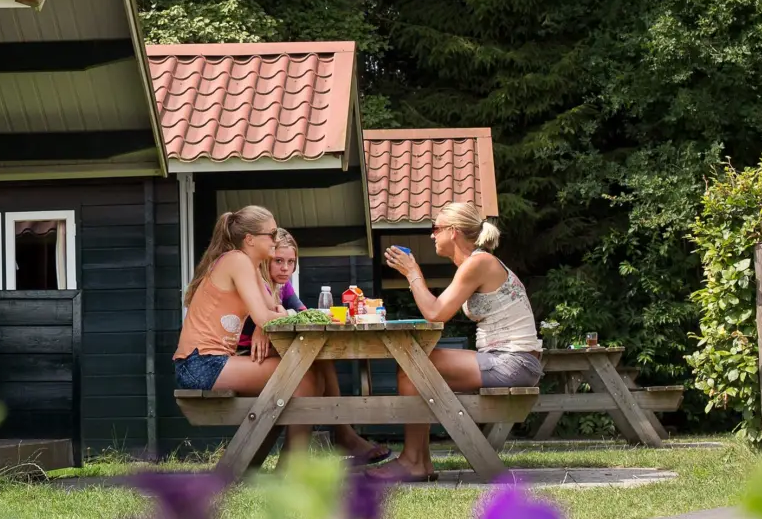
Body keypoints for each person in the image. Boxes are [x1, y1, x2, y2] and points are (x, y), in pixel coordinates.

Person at [172, 208, 391, 465]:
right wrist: (305, 318)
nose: (275, 240)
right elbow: (264, 317)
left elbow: (274, 309)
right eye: (271, 233)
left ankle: (281, 464)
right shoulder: (236, 260)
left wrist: (283, 314)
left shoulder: (249, 265)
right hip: (199, 364)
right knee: (306, 381)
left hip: (212, 362)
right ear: (250, 239)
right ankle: (290, 468)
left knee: (309, 376)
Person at [368, 202, 542, 482]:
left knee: (413, 366)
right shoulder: (476, 263)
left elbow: (436, 313)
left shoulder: (479, 262)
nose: (431, 235)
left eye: (435, 228)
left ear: (453, 232)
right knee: (414, 369)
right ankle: (419, 461)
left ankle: (413, 461)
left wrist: (413, 273)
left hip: (513, 362)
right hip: (511, 360)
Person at [237, 228, 393, 465]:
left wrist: (284, 312)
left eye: (291, 262)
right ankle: (342, 435)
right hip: (248, 358)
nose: (285, 268)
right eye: (278, 261)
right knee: (314, 365)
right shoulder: (257, 284)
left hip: (272, 354)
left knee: (319, 356)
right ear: (265, 260)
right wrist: (267, 321)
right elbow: (270, 319)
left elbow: (302, 314)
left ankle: (341, 435)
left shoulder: (284, 287)